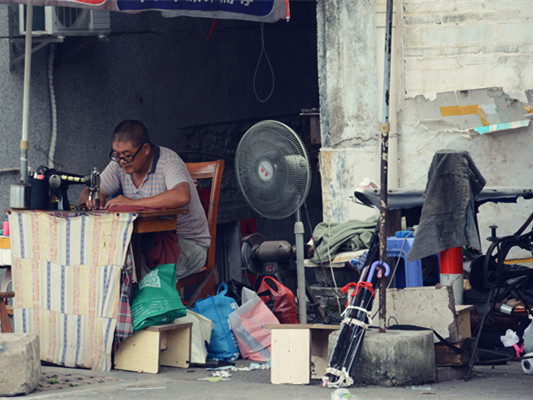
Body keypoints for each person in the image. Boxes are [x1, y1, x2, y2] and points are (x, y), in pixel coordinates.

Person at [79, 120, 210, 278]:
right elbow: (86, 193)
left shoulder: (168, 161)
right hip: (146, 242)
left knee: (138, 274)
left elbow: (182, 195)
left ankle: (148, 302)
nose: (121, 162)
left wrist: (132, 203)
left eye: (127, 156)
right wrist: (94, 198)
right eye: (116, 155)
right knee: (108, 262)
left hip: (187, 244)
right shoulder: (119, 165)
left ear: (146, 149)